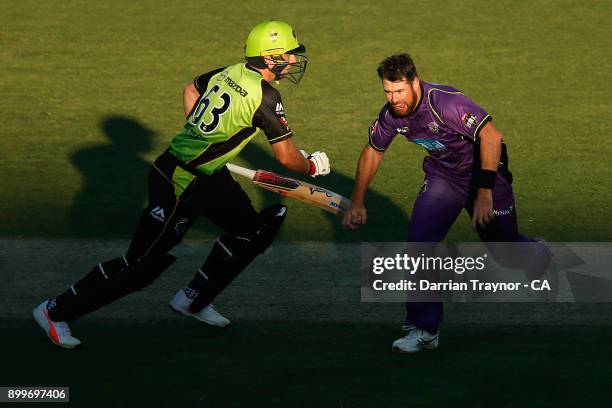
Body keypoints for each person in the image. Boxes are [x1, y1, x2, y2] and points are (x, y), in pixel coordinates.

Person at [33, 20, 331, 349]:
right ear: (270, 56)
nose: (293, 60)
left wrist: (198, 135)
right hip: (178, 180)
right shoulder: (266, 95)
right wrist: (312, 165)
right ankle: (55, 311)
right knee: (140, 267)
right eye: (289, 54)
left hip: (208, 176)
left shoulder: (229, 71)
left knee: (253, 230)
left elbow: (191, 88)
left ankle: (193, 300)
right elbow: (288, 160)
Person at [342, 53, 548, 353]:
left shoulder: (445, 104)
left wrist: (485, 191)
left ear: (415, 82)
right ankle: (425, 329)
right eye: (387, 91)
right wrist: (357, 200)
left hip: (485, 176)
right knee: (419, 245)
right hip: (444, 178)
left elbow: (492, 137)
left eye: (399, 91)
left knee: (505, 250)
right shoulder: (391, 115)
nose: (394, 98)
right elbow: (373, 152)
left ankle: (537, 254)